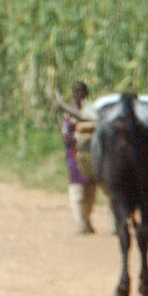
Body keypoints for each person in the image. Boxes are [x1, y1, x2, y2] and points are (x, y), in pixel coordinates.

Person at [62, 81, 98, 233]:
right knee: (77, 190)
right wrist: (75, 139)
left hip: (91, 153)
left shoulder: (92, 110)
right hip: (74, 153)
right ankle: (81, 223)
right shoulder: (68, 113)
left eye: (82, 91)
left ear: (86, 93)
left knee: (90, 189)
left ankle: (86, 219)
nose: (79, 95)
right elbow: (65, 135)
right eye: (76, 91)